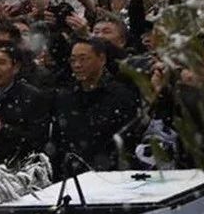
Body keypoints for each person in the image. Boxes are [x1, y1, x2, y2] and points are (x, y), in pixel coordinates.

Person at [52, 37, 143, 172]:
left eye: (83, 59)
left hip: (113, 174)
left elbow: (128, 142)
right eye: (73, 60)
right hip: (74, 175)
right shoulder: (65, 97)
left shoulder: (121, 96)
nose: (77, 65)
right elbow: (59, 141)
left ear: (101, 59)